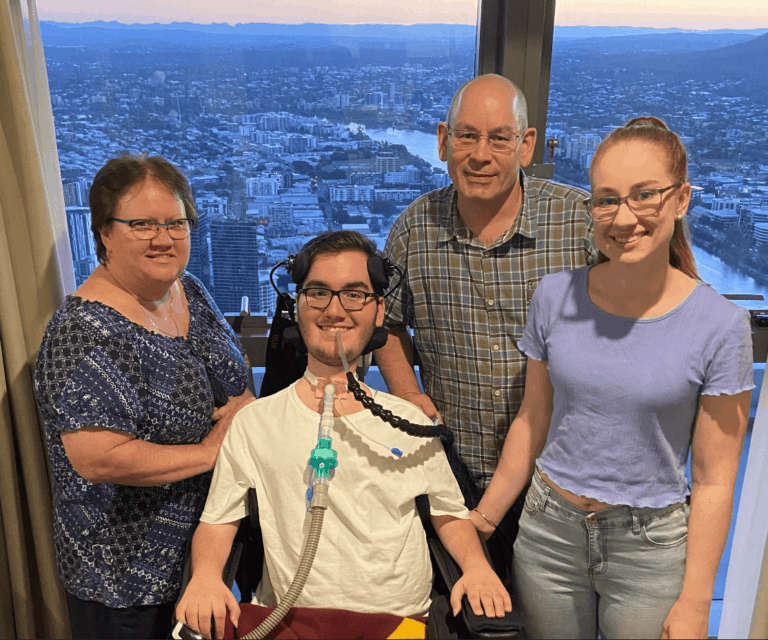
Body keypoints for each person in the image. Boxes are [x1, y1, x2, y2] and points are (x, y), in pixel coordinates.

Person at [470, 116, 754, 639]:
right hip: (548, 531)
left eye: (644, 195)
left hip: (650, 546)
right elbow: (533, 420)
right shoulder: (555, 296)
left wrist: (696, 601)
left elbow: (715, 482)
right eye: (606, 199)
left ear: (681, 199)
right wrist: (481, 524)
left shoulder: (720, 326)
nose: (624, 217)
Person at [175, 230, 511, 639]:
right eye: (318, 292)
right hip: (290, 618)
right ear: (297, 304)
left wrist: (476, 569)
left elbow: (448, 512)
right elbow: (218, 519)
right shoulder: (255, 423)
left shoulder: (409, 420)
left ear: (378, 309)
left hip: (400, 622)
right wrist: (207, 576)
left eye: (354, 294)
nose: (335, 310)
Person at [376, 73, 596, 576]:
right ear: (442, 140)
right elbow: (384, 324)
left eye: (500, 137)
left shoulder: (577, 221)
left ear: (526, 145)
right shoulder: (415, 226)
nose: (481, 154)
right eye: (466, 135)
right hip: (452, 470)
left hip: (559, 479)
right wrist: (408, 393)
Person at [33, 155, 254, 639]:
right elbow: (99, 459)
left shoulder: (187, 290)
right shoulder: (82, 332)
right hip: (127, 575)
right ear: (104, 232)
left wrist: (246, 411)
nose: (163, 238)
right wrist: (212, 451)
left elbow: (234, 377)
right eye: (142, 224)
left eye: (176, 222)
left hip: (209, 551)